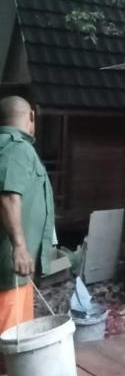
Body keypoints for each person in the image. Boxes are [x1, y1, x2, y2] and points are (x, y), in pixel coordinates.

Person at [0, 96, 55, 338]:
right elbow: (8, 197)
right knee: (12, 338)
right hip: (10, 268)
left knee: (18, 336)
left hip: (14, 268)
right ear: (32, 116)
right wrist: (20, 248)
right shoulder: (17, 149)